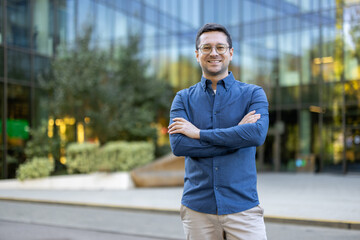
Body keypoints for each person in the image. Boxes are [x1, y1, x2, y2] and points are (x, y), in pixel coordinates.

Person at [168, 23, 269, 240]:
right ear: (197, 54)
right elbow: (179, 146)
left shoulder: (253, 94)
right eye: (206, 48)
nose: (214, 53)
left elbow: (256, 135)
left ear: (230, 53)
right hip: (198, 209)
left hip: (243, 208)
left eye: (220, 47)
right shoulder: (182, 99)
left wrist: (199, 134)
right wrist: (236, 136)